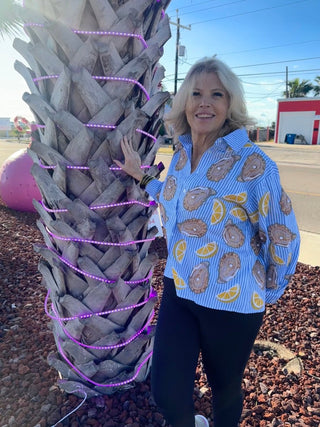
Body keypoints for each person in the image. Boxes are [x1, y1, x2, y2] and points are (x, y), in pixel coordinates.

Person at [114, 57, 300, 427]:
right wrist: (141, 177)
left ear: (230, 104)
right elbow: (171, 197)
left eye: (217, 94)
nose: (205, 102)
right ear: (184, 101)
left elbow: (283, 235)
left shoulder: (254, 163)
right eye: (196, 93)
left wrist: (268, 290)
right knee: (166, 391)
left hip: (232, 301)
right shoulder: (181, 154)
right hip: (179, 287)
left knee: (224, 388)